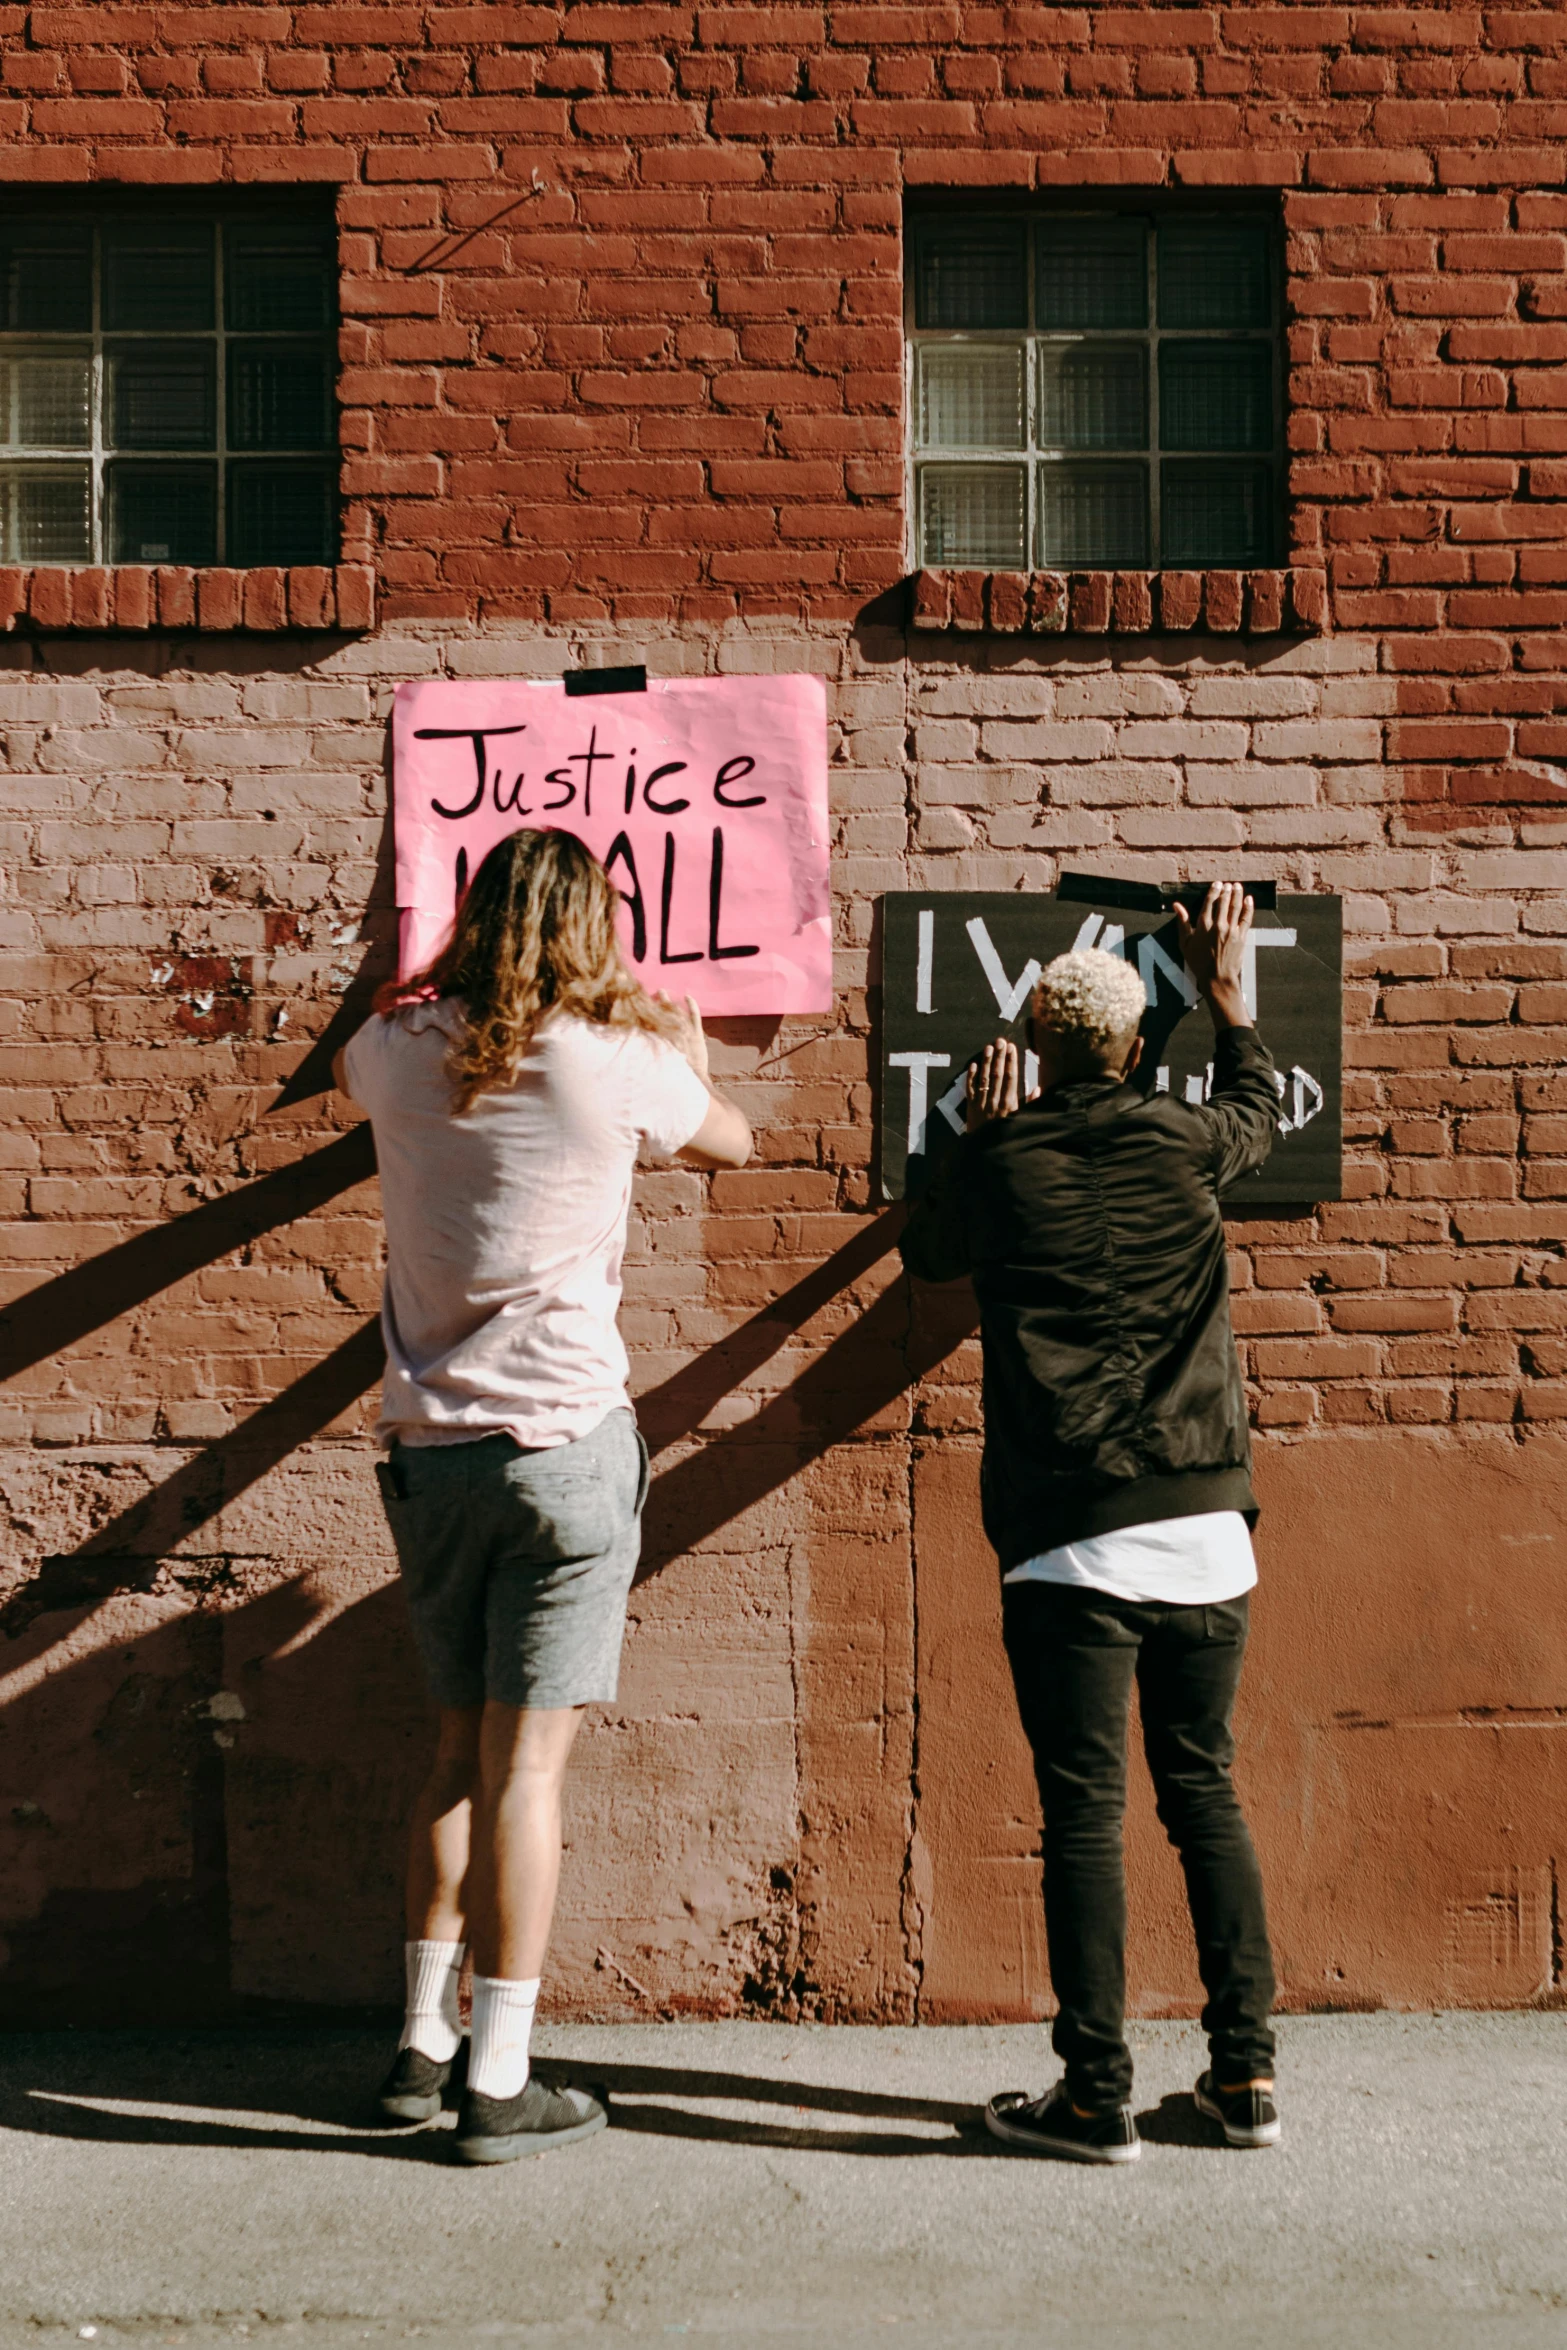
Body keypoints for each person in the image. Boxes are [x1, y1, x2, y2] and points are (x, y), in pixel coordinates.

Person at [334, 828, 752, 2165]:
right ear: (590, 924)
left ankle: (419, 2044)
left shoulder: (395, 1055)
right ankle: (499, 2076)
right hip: (566, 1449)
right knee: (529, 1773)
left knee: (452, 1753)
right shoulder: (612, 1062)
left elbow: (367, 1039)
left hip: (430, 1454)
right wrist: (684, 1048)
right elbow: (729, 1142)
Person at [899, 883, 1282, 2165]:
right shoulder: (1185, 1146)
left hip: (1069, 1540)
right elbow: (1252, 1110)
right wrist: (1225, 996)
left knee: (1084, 1817)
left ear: (1039, 1052)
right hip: (1205, 1527)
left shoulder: (998, 1163)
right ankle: (1243, 2078)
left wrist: (966, 1120)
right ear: (1129, 1050)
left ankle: (1095, 2093)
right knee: (1205, 1796)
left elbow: (926, 1248)